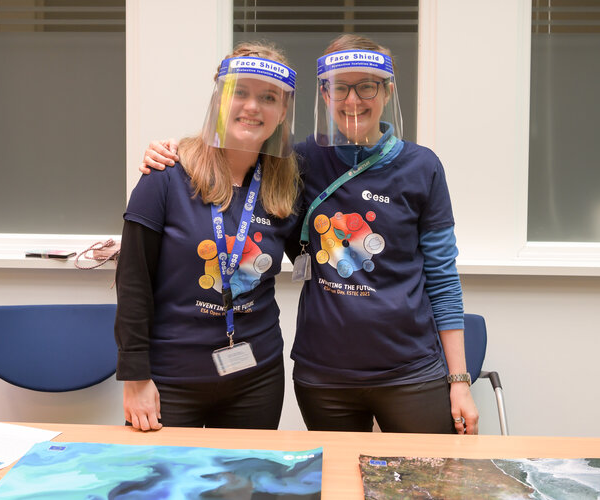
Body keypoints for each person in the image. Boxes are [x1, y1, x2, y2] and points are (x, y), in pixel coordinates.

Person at [140, 34, 479, 435]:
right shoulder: (298, 163)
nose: (353, 100)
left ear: (387, 91)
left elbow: (442, 279)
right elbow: (233, 160)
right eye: (340, 87)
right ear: (324, 92)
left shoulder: (423, 167)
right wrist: (172, 151)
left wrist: (459, 382)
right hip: (324, 374)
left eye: (367, 85)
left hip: (410, 369)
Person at [115, 41, 301, 432]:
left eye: (268, 97)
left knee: (243, 490)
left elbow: (316, 259)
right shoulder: (165, 176)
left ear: (282, 112)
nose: (253, 107)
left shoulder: (285, 187)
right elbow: (133, 284)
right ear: (219, 98)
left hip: (257, 378)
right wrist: (135, 379)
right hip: (170, 379)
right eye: (241, 93)